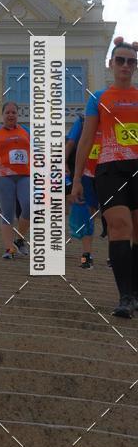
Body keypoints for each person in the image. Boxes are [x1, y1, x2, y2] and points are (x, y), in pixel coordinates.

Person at [71, 38, 138, 317]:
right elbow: (86, 139)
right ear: (111, 64)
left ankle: (135, 292)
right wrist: (76, 179)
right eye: (120, 60)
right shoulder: (98, 97)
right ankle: (125, 297)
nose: (125, 65)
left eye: (131, 61)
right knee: (119, 225)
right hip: (109, 169)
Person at [0, 102, 31, 259]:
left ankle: (20, 239)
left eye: (14, 112)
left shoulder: (27, 131)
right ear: (2, 115)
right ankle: (9, 248)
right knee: (7, 212)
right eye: (7, 112)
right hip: (3, 176)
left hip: (25, 175)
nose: (11, 115)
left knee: (29, 206)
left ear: (18, 115)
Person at [65, 114, 101, 269]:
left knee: (111, 215)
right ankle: (87, 255)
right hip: (86, 174)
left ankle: (114, 256)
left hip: (110, 172)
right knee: (88, 213)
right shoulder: (82, 121)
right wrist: (62, 162)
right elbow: (70, 143)